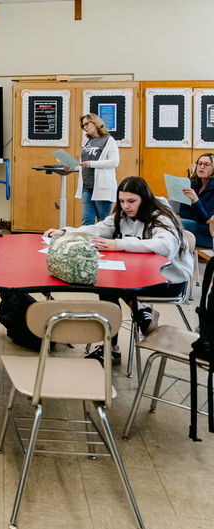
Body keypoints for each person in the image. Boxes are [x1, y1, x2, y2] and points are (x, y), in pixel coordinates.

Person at [45, 176, 194, 364]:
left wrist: (119, 244)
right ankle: (133, 321)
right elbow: (99, 228)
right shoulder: (123, 214)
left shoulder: (161, 215)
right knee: (108, 285)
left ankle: (115, 345)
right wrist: (66, 232)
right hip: (140, 274)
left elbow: (165, 246)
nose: (126, 206)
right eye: (122, 201)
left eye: (131, 201)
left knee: (112, 286)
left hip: (168, 279)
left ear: (144, 199)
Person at [64, 113, 120, 226]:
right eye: (83, 126)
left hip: (101, 187)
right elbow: (84, 164)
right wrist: (73, 168)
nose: (85, 128)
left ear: (95, 122)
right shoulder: (88, 142)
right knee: (86, 220)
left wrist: (91, 164)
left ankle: (100, 244)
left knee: (102, 221)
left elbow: (114, 162)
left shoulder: (109, 140)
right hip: (87, 187)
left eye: (86, 124)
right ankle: (86, 244)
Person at [179, 152, 214, 249]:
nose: (201, 167)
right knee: (165, 221)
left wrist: (195, 200)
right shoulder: (192, 184)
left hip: (208, 234)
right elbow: (183, 212)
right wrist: (200, 218)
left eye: (206, 165)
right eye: (199, 163)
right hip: (195, 225)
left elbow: (206, 218)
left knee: (173, 224)